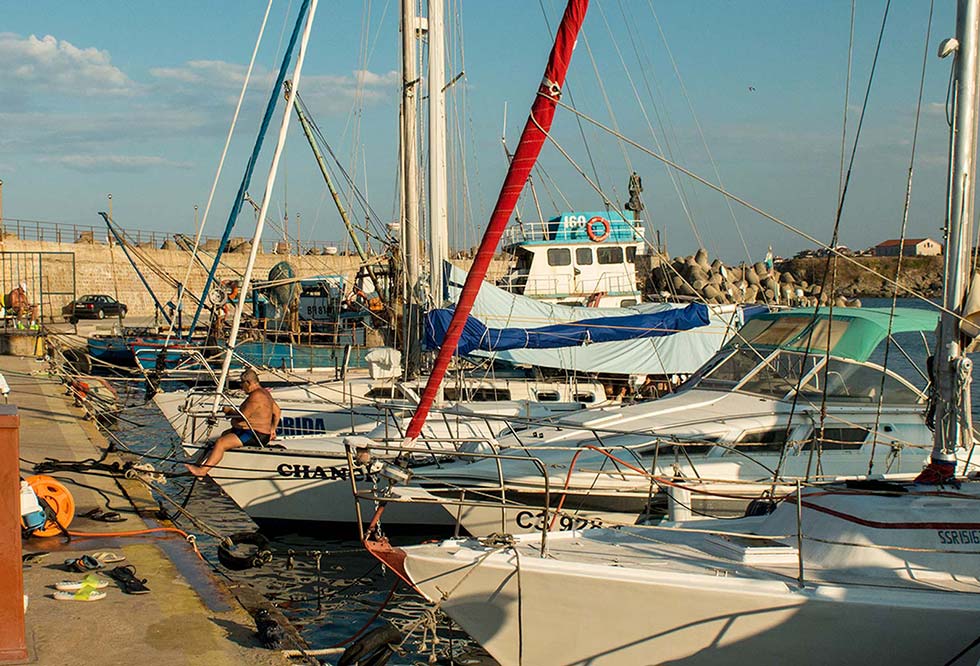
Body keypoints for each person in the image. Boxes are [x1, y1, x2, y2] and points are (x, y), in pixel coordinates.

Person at [186, 369, 281, 477]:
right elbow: (277, 412)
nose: (241, 387)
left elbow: (241, 417)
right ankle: (210, 466)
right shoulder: (265, 393)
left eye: (242, 383)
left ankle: (202, 471)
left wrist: (229, 411)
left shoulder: (256, 396)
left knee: (221, 443)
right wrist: (272, 429)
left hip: (255, 435)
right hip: (259, 433)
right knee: (225, 435)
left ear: (248, 383)